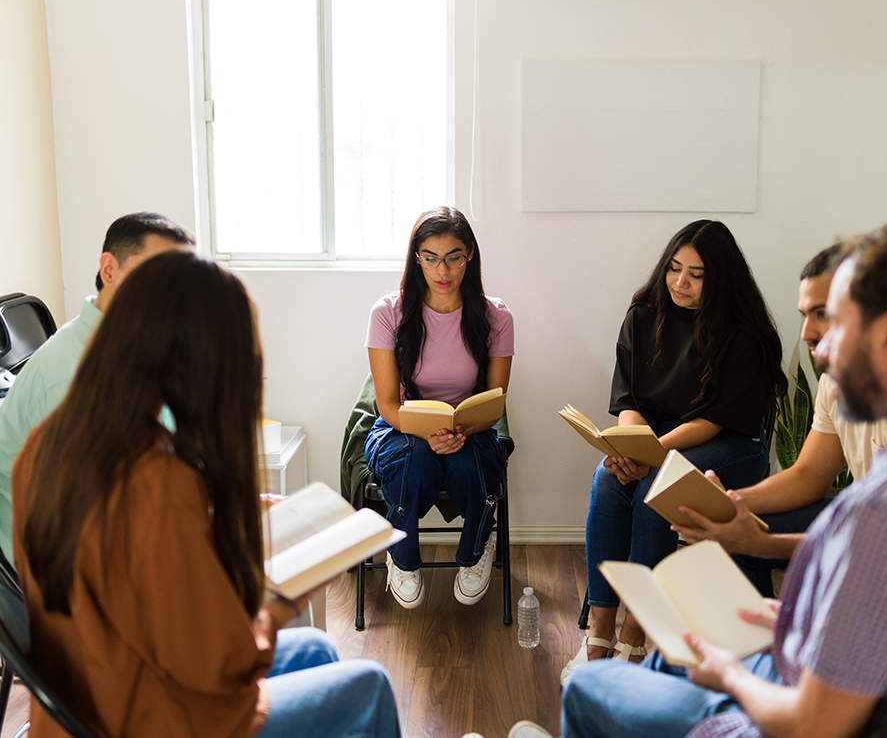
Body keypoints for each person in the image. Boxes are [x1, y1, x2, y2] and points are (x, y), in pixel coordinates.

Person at [554, 218, 887, 738]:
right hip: (877, 678)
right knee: (669, 659)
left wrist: (730, 673)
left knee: (592, 689)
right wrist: (792, 613)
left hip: (814, 713)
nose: (815, 343)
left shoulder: (882, 516)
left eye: (835, 321)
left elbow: (812, 724)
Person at [11, 251, 401, 738]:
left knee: (317, 652)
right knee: (369, 684)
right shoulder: (158, 483)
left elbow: (135, 567)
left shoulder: (50, 441)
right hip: (151, 718)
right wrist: (282, 598)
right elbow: (223, 662)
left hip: (84, 700)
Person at [566, 220, 785, 680]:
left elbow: (712, 421)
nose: (680, 282)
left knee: (656, 486)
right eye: (674, 268)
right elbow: (628, 403)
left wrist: (652, 454)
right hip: (658, 435)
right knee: (607, 481)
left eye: (696, 274)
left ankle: (637, 635)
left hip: (729, 440)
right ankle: (599, 632)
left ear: (720, 278)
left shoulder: (741, 335)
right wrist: (632, 447)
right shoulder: (643, 316)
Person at [674, 244, 887, 596]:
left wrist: (759, 543)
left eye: (823, 313)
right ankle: (761, 646)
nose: (807, 333)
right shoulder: (833, 384)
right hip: (871, 523)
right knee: (731, 530)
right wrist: (731, 505)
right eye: (805, 315)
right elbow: (808, 476)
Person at [0, 212, 193, 564]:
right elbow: (91, 522)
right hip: (68, 574)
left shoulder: (136, 346)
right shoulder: (68, 378)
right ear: (109, 271)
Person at [364, 206, 514, 609]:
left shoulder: (496, 316)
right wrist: (425, 433)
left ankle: (475, 551)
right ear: (416, 258)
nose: (442, 270)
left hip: (470, 427)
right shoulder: (388, 313)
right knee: (416, 464)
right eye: (430, 257)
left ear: (469, 257)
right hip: (402, 427)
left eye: (453, 257)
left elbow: (494, 401)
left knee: (470, 464)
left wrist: (461, 430)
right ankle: (403, 558)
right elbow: (387, 405)